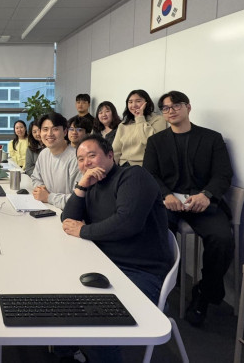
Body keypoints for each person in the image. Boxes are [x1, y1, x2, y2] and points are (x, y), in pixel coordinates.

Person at [62, 134, 172, 363]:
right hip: (104, 264)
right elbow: (68, 220)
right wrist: (82, 186)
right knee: (55, 293)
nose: (86, 163)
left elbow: (127, 223)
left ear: (110, 155)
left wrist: (84, 231)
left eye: (92, 155)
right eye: (80, 159)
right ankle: (69, 352)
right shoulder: (92, 184)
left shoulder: (133, 176)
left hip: (140, 271)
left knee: (101, 326)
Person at [143, 91, 234, 327]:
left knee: (223, 239)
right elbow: (150, 174)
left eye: (176, 105)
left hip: (201, 202)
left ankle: (204, 292)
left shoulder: (212, 138)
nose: (171, 111)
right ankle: (159, 288)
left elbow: (223, 174)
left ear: (188, 107)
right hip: (170, 203)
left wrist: (207, 194)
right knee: (156, 233)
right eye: (165, 108)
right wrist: (166, 195)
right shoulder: (156, 141)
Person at [31, 112, 80, 209]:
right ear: (40, 132)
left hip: (67, 213)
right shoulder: (44, 154)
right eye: (45, 129)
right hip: (47, 207)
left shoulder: (76, 158)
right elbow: (36, 178)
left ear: (65, 132)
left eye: (55, 129)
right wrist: (41, 188)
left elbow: (78, 199)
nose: (49, 134)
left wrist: (48, 197)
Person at [112, 89, 166, 166]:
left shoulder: (158, 119)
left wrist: (140, 117)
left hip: (143, 166)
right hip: (123, 165)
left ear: (147, 103)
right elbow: (115, 151)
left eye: (138, 101)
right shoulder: (123, 124)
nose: (133, 105)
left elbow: (149, 142)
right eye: (130, 102)